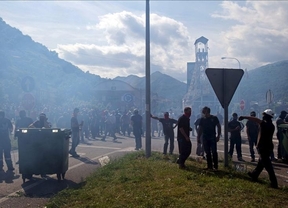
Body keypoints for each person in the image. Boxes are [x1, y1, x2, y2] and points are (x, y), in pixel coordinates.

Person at [239, 109, 278, 189]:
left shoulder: (265, 124)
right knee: (261, 163)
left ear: (266, 117)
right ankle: (254, 175)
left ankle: (274, 183)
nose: (263, 117)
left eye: (264, 115)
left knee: (268, 166)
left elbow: (256, 119)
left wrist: (244, 117)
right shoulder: (271, 125)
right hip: (268, 147)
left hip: (263, 147)